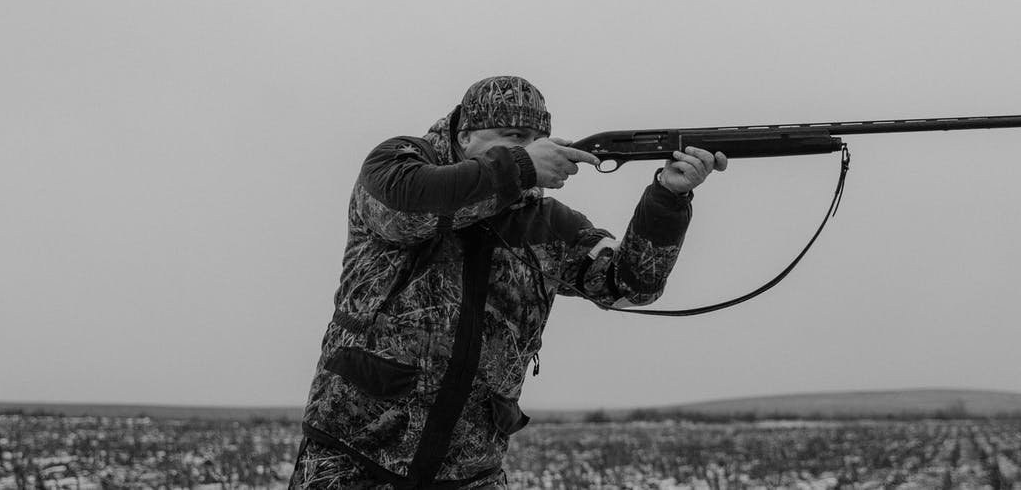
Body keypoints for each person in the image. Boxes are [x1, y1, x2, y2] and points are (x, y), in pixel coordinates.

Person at [289, 75, 728, 489]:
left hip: (471, 470)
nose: (528, 150)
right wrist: (519, 168)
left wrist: (668, 198)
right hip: (350, 457)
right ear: (464, 136)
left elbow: (631, 285)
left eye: (535, 140)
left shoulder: (548, 220)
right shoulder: (398, 166)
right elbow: (409, 212)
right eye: (512, 137)